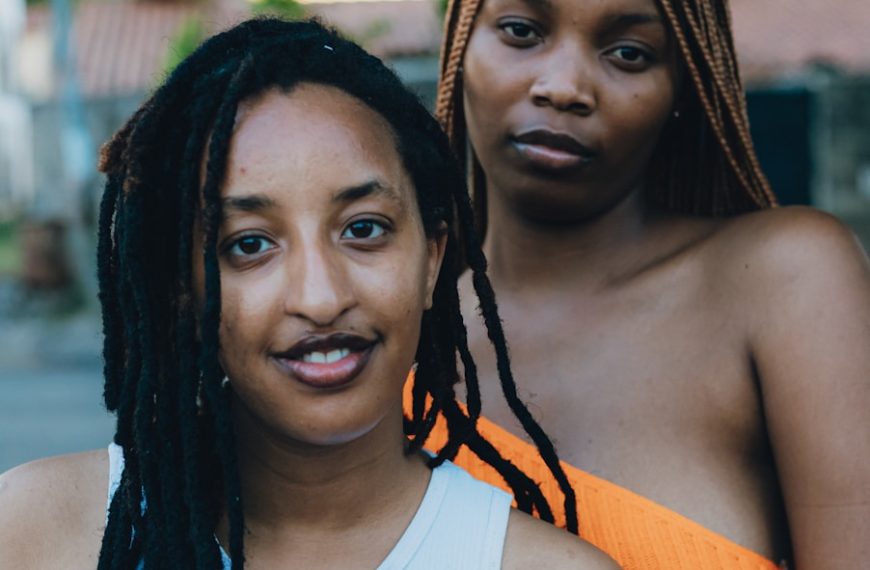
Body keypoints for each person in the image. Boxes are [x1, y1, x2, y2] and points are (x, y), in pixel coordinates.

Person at [0, 18, 617, 569]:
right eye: (249, 245)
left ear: (432, 259)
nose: (320, 299)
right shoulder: (38, 533)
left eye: (364, 229)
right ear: (182, 291)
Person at [408, 0, 870, 568]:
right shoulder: (392, 333)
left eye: (629, 54)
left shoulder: (781, 280)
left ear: (681, 87)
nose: (564, 87)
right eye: (522, 32)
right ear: (459, 46)